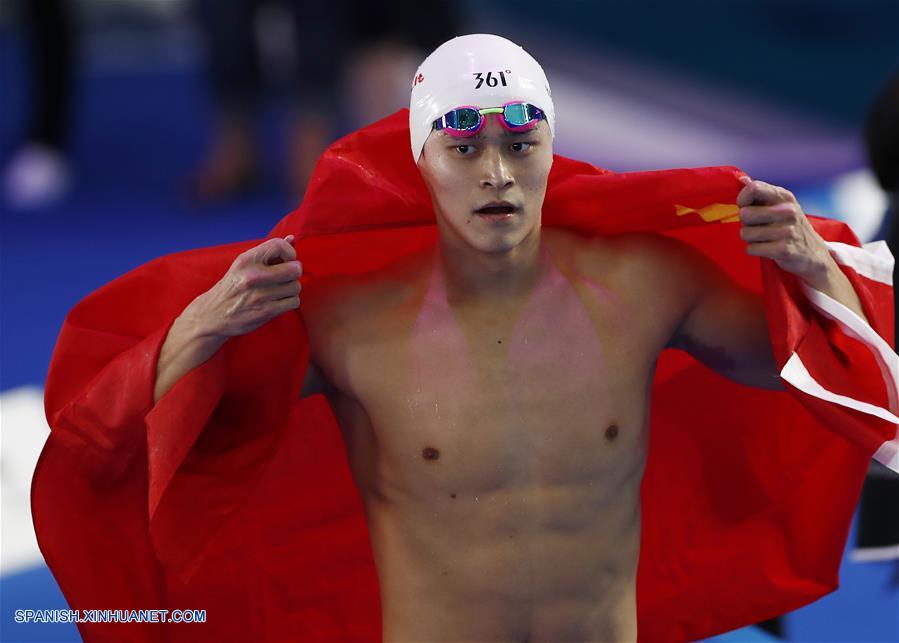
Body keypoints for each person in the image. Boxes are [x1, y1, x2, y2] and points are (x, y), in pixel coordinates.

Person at [34, 35, 897, 642]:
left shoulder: (642, 285)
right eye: (466, 147)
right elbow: (137, 445)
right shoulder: (343, 320)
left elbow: (808, 372)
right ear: (418, 159)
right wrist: (200, 325)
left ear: (553, 149)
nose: (497, 172)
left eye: (522, 144)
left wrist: (812, 269)